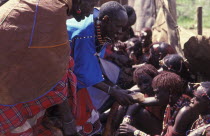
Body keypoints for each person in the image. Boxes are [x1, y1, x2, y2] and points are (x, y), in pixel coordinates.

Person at [0, 0, 98, 135]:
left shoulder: (49, 6)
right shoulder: (53, 12)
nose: (91, 12)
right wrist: (68, 121)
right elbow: (58, 71)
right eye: (91, 5)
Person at [67, 1, 135, 135]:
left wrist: (115, 89)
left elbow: (94, 60)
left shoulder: (101, 28)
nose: (120, 31)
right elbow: (83, 73)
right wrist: (113, 91)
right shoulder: (85, 33)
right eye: (118, 26)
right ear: (106, 20)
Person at [118, 71, 191, 136]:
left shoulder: (184, 110)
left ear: (170, 91)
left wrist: (135, 132)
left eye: (157, 93)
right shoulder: (172, 103)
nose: (155, 97)